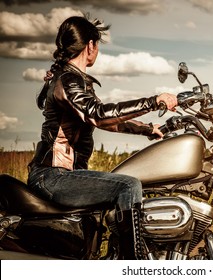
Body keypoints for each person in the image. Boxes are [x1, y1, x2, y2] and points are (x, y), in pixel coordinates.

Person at [27, 15, 177, 259]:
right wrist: (153, 101)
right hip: (53, 176)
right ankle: (134, 265)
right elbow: (99, 114)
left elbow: (108, 121)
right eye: (97, 46)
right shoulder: (68, 79)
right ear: (90, 46)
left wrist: (148, 129)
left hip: (61, 175)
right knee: (129, 185)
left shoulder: (73, 79)